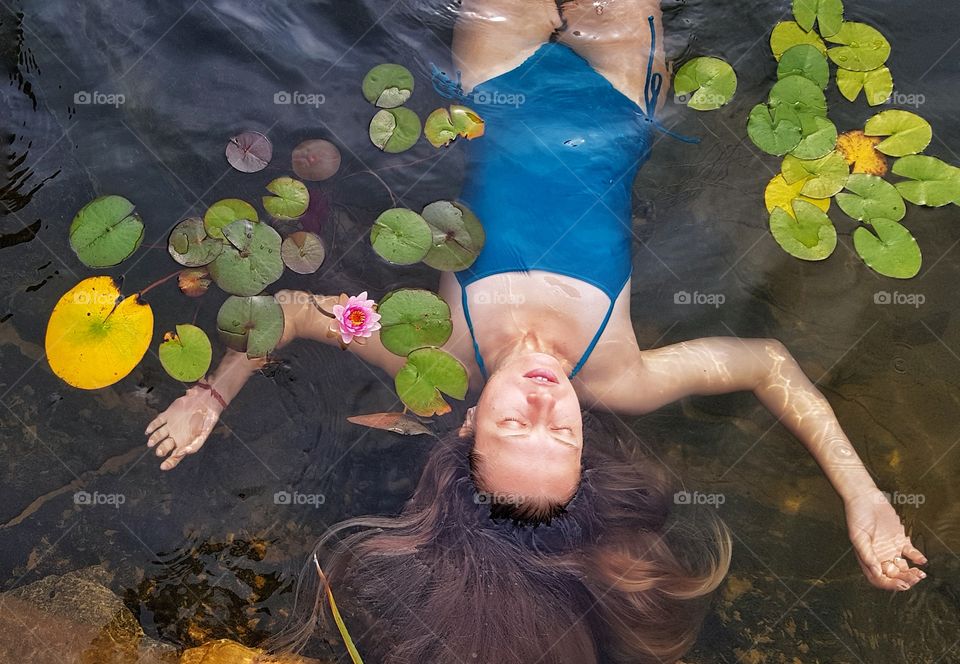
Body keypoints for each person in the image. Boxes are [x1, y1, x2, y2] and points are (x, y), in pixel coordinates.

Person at [146, 0, 925, 629]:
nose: (547, 400)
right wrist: (863, 494)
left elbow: (290, 310)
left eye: (516, 425)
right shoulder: (619, 376)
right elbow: (769, 366)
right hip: (622, 99)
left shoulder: (431, 354)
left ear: (466, 424)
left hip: (498, 81)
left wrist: (213, 393)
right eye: (563, 432)